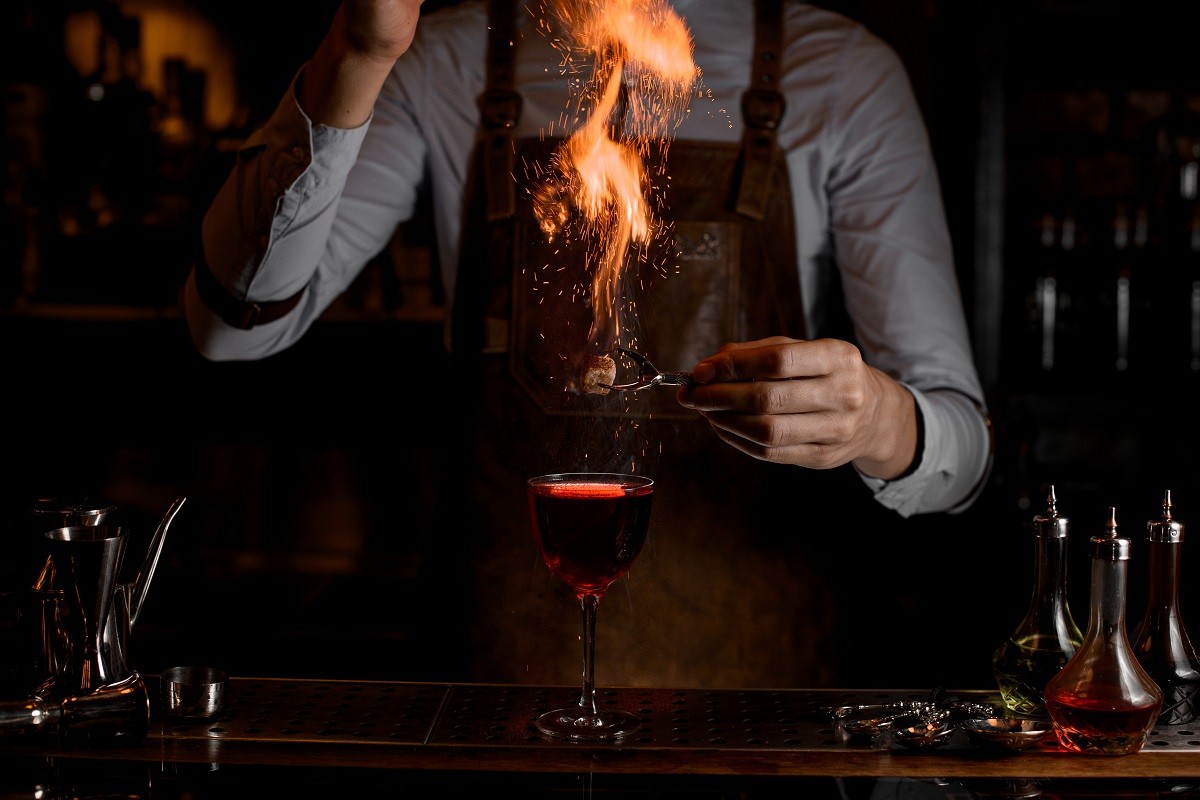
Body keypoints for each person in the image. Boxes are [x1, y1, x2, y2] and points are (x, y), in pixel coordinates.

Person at [184, 0, 993, 690]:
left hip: (758, 704)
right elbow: (232, 325)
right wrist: (356, 55)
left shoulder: (845, 74)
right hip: (493, 687)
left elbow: (961, 457)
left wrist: (879, 422)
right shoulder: (446, 55)